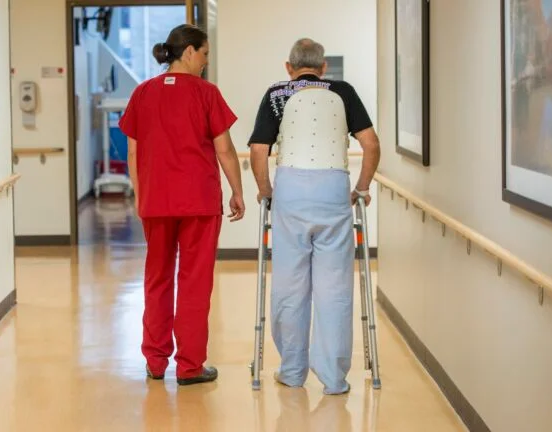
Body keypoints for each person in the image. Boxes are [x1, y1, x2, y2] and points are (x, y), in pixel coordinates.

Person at [247, 38, 381, 394]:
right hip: (334, 190)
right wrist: (363, 188)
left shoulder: (277, 92)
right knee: (335, 288)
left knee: (290, 286)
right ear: (324, 68)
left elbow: (259, 149)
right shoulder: (343, 90)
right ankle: (335, 379)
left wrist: (265, 190)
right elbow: (371, 144)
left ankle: (292, 371)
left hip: (291, 190)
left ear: (288, 67)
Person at [118, 24, 245, 386]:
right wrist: (237, 190)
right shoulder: (206, 93)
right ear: (188, 51)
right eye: (205, 54)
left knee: (156, 278)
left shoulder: (143, 93)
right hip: (200, 202)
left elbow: (133, 150)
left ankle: (155, 362)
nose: (206, 62)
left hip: (156, 201)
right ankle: (190, 366)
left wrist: (140, 196)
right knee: (194, 281)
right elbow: (224, 149)